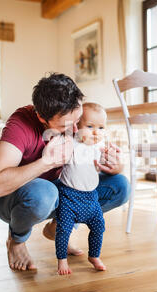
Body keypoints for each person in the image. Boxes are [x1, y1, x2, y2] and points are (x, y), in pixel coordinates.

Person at [0, 73, 130, 271]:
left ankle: (60, 227)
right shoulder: (21, 125)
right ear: (42, 117)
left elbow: (91, 163)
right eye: (67, 126)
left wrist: (115, 165)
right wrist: (46, 163)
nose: (76, 129)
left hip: (59, 191)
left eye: (79, 120)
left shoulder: (75, 123)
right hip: (14, 199)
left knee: (120, 186)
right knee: (45, 193)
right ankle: (16, 240)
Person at [55, 103, 107, 275]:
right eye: (90, 126)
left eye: (101, 128)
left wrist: (109, 160)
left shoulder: (98, 147)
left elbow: (101, 166)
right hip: (69, 196)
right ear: (77, 126)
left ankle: (94, 255)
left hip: (91, 198)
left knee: (99, 226)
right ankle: (62, 260)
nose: (95, 132)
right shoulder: (71, 142)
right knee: (64, 229)